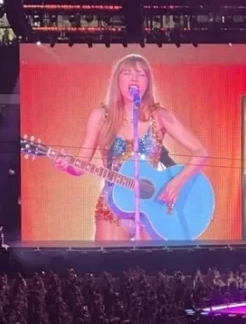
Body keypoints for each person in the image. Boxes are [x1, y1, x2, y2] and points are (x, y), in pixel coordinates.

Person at [54, 54, 208, 241]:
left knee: (154, 268)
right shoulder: (101, 117)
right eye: (127, 73)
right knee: (109, 267)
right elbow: (79, 166)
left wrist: (177, 182)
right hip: (113, 206)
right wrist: (67, 165)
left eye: (141, 74)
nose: (134, 78)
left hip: (153, 207)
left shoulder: (160, 116)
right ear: (117, 80)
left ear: (147, 83)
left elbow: (201, 152)